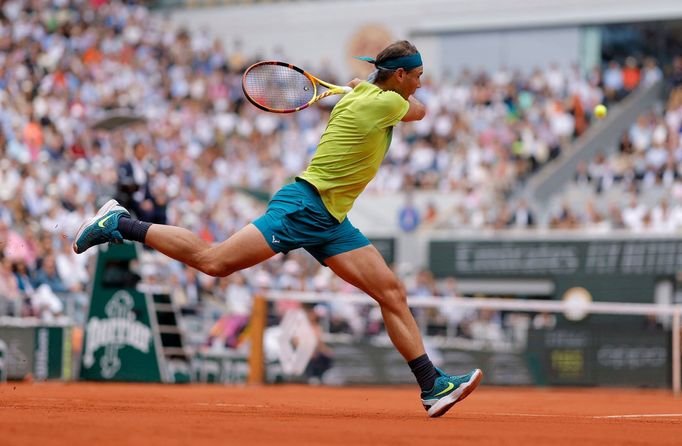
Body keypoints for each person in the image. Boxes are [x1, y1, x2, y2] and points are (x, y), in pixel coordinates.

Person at [73, 40, 482, 417]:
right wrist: (370, 91)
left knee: (391, 292)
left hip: (331, 219)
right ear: (399, 77)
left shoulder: (368, 97)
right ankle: (120, 222)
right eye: (417, 76)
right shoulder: (381, 103)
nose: (420, 83)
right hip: (303, 206)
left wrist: (364, 88)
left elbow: (385, 96)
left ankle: (432, 386)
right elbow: (421, 112)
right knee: (214, 262)